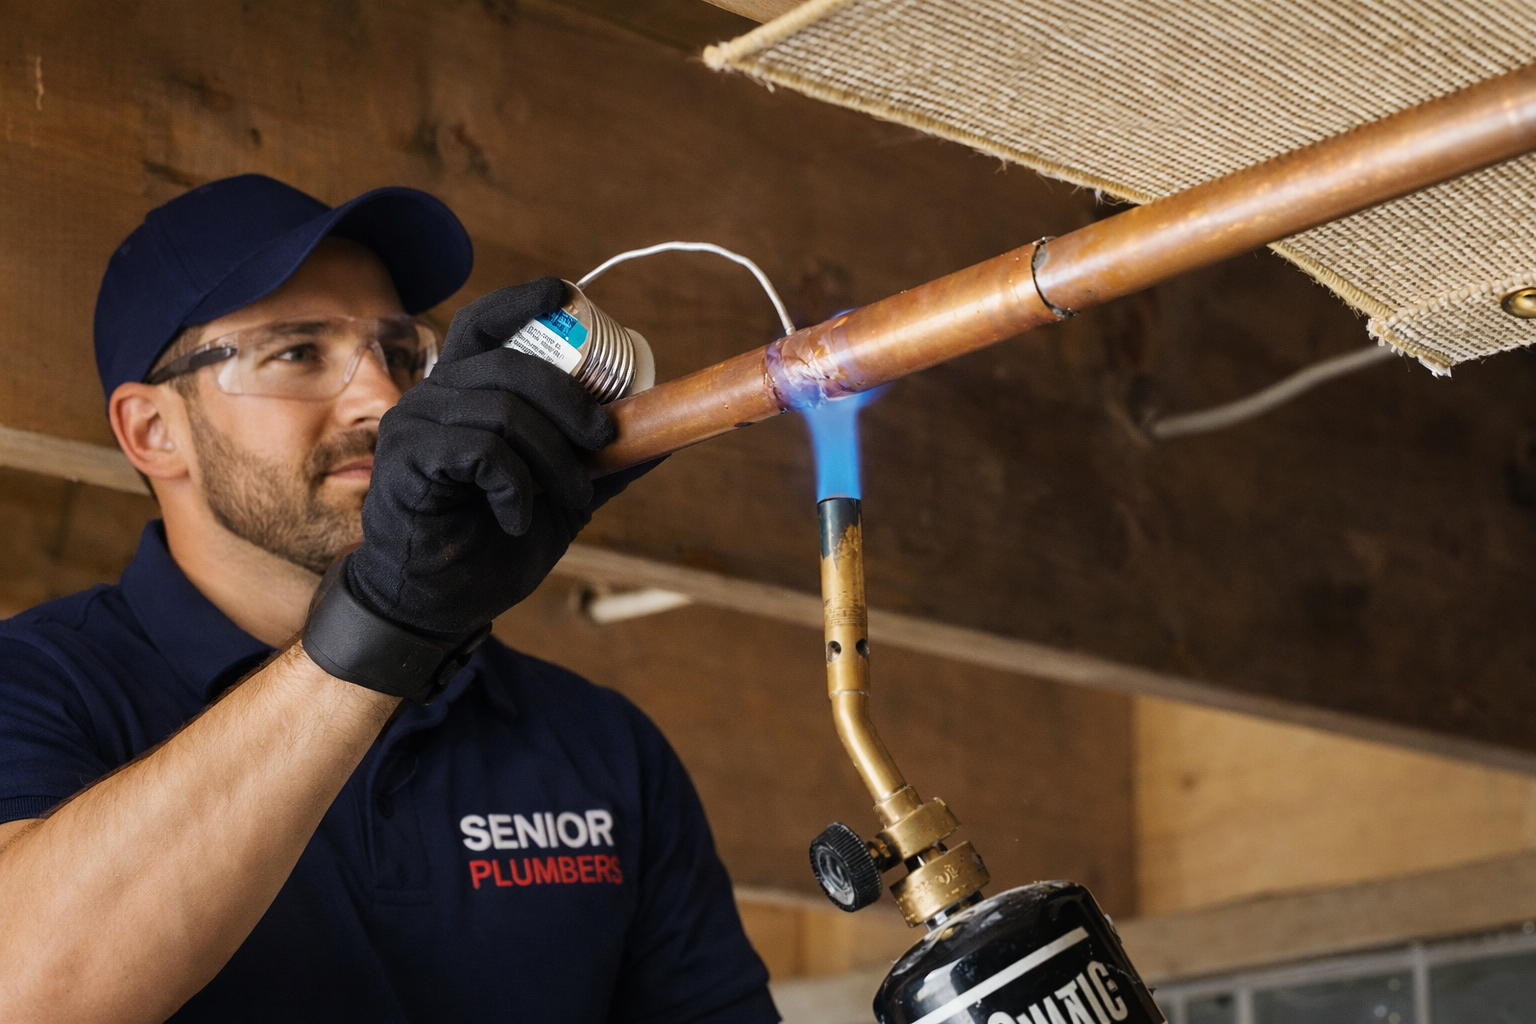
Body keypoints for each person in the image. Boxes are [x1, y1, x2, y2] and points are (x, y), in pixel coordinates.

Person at [0, 174, 777, 1024]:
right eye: (298, 352)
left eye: (403, 355)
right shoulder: (35, 685)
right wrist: (385, 628)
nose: (383, 400)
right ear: (154, 431)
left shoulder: (598, 744)